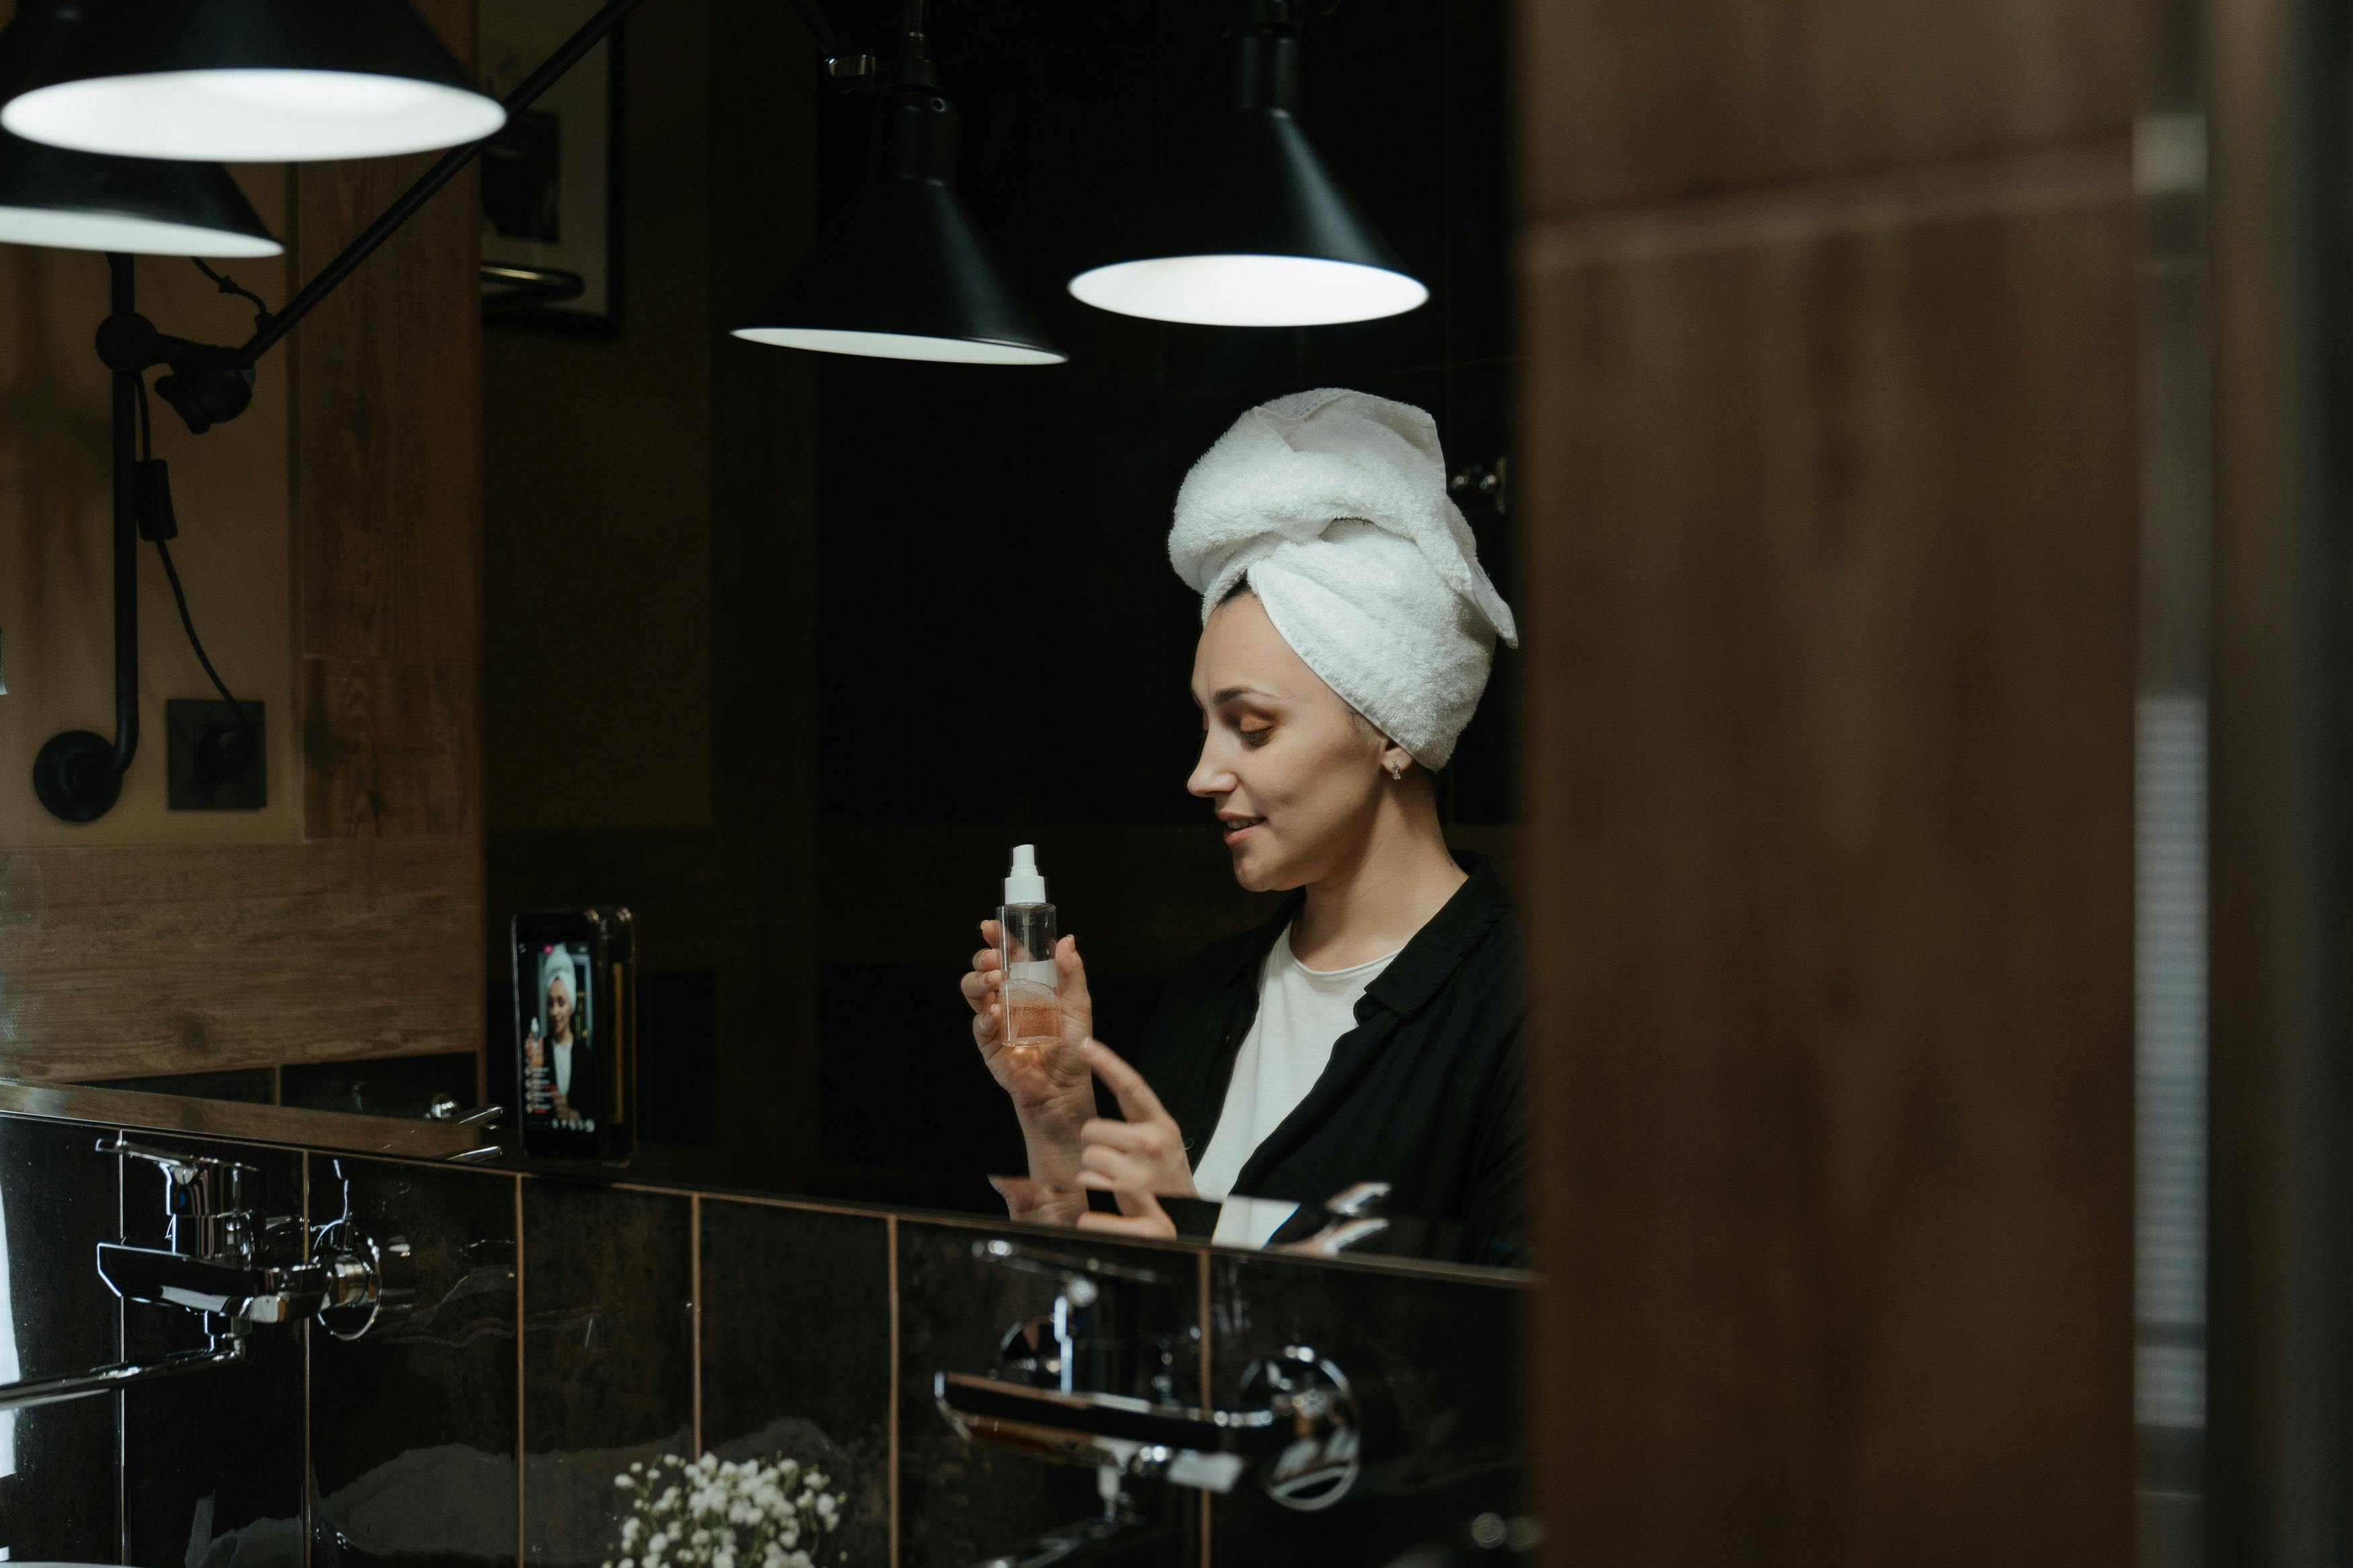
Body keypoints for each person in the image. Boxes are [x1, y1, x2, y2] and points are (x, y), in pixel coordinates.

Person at [961, 388, 1525, 1250]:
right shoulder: (1207, 997)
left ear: (1391, 729)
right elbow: (1096, 1335)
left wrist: (1199, 1231)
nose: (1201, 773)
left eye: (1253, 727)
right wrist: (1059, 1120)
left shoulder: (1530, 1009)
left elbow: (1524, 1351)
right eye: (1204, 724)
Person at [541, 948, 594, 1128]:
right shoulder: (540, 1052)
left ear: (571, 1006)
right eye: (550, 1004)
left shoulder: (586, 1056)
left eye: (561, 1003)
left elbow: (595, 1108)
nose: (555, 1011)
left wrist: (575, 1115)